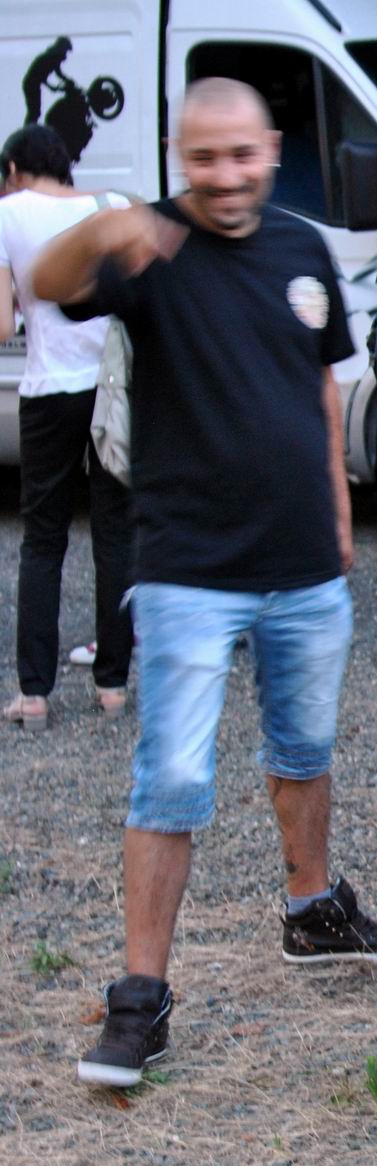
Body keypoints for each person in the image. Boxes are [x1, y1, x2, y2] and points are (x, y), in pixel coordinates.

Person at [34, 79, 377, 1087]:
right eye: (205, 158)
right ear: (179, 155)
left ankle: (311, 910)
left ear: (272, 149)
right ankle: (139, 998)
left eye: (243, 155)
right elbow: (48, 281)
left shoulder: (301, 247)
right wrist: (105, 226)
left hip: (303, 564)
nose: (227, 176)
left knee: (305, 749)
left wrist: (338, 516)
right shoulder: (146, 246)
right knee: (171, 779)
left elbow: (319, 384)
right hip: (189, 570)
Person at [0, 124, 133, 729]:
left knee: (43, 539)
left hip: (48, 390)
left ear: (13, 170)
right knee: (115, 536)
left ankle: (34, 694)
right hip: (111, 390)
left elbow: (3, 324)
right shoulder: (112, 205)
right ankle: (112, 686)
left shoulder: (8, 214)